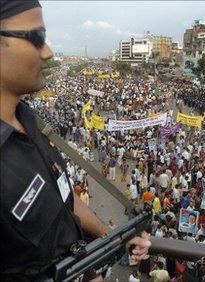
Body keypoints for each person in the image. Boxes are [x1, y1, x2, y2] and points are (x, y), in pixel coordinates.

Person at [0, 1, 151, 280]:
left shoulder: (29, 120)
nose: (48, 52)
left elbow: (64, 199)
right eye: (36, 38)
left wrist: (112, 236)